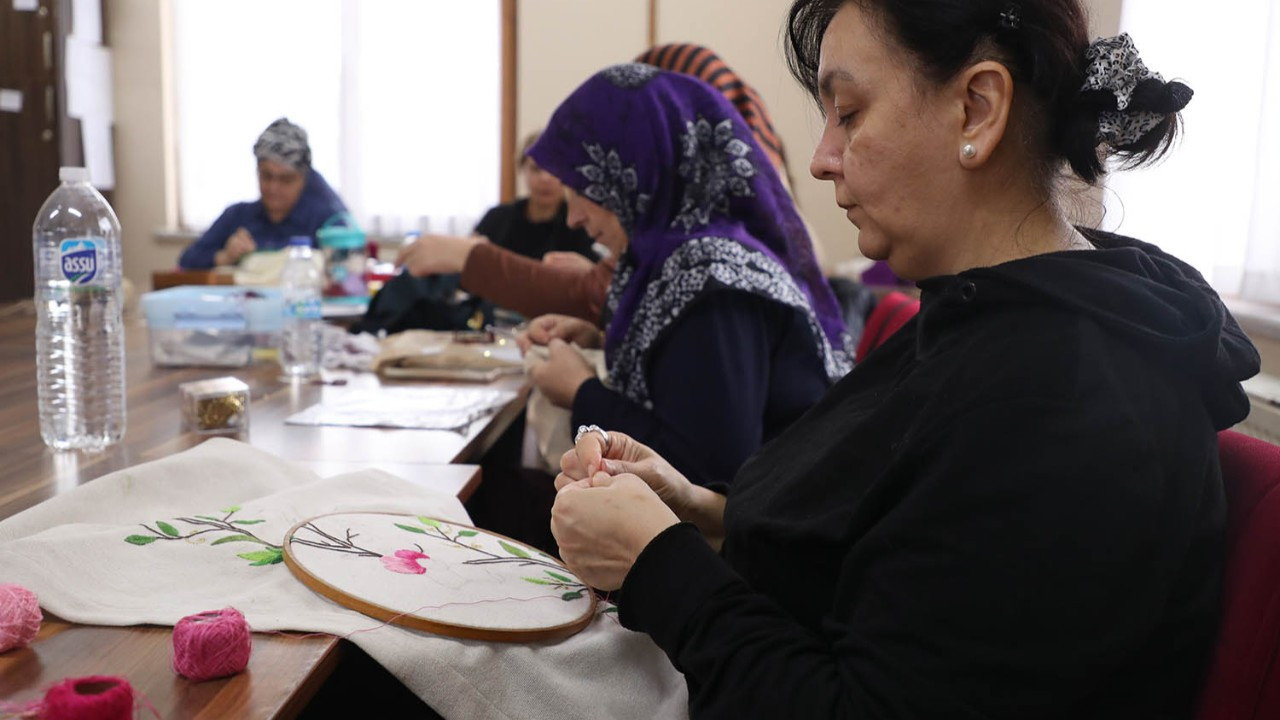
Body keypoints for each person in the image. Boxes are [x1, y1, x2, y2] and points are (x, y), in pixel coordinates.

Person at [548, 2, 1260, 718]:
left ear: (978, 110)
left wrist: (658, 564)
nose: (822, 159)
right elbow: (885, 538)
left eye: (849, 113)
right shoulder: (984, 315)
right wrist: (704, 514)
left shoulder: (1066, 402)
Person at [516, 64, 850, 492]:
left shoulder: (712, 282)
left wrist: (581, 392)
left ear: (636, 169)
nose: (575, 216)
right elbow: (693, 382)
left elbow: (708, 474)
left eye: (584, 189)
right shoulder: (667, 258)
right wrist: (596, 337)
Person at [396, 43, 809, 326]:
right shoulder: (676, 231)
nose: (575, 216)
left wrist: (469, 257)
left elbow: (593, 294)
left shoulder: (711, 260)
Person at [178, 118, 348, 269]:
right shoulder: (237, 216)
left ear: (303, 179)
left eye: (285, 179)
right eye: (266, 176)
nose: (273, 187)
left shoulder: (327, 222)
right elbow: (187, 260)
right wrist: (225, 256)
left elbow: (348, 270)